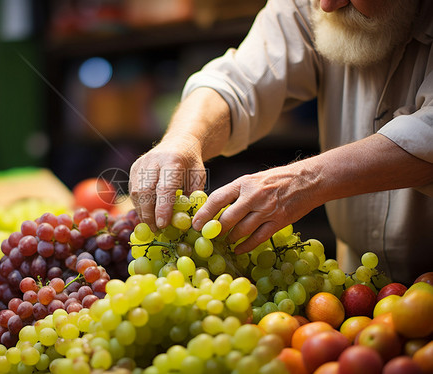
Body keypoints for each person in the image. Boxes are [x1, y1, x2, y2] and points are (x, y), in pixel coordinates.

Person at [128, 0, 433, 285]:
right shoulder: (310, 4)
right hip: (360, 291)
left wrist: (306, 179)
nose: (327, 5)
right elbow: (240, 79)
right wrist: (183, 139)